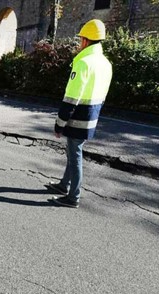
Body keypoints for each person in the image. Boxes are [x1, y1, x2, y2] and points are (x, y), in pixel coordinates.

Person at [47, 19, 113, 208]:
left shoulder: (84, 62)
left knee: (75, 156)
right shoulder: (106, 64)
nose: (79, 43)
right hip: (92, 115)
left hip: (78, 118)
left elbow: (71, 98)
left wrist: (59, 123)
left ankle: (72, 197)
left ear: (85, 40)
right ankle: (63, 185)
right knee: (72, 152)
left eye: (81, 39)